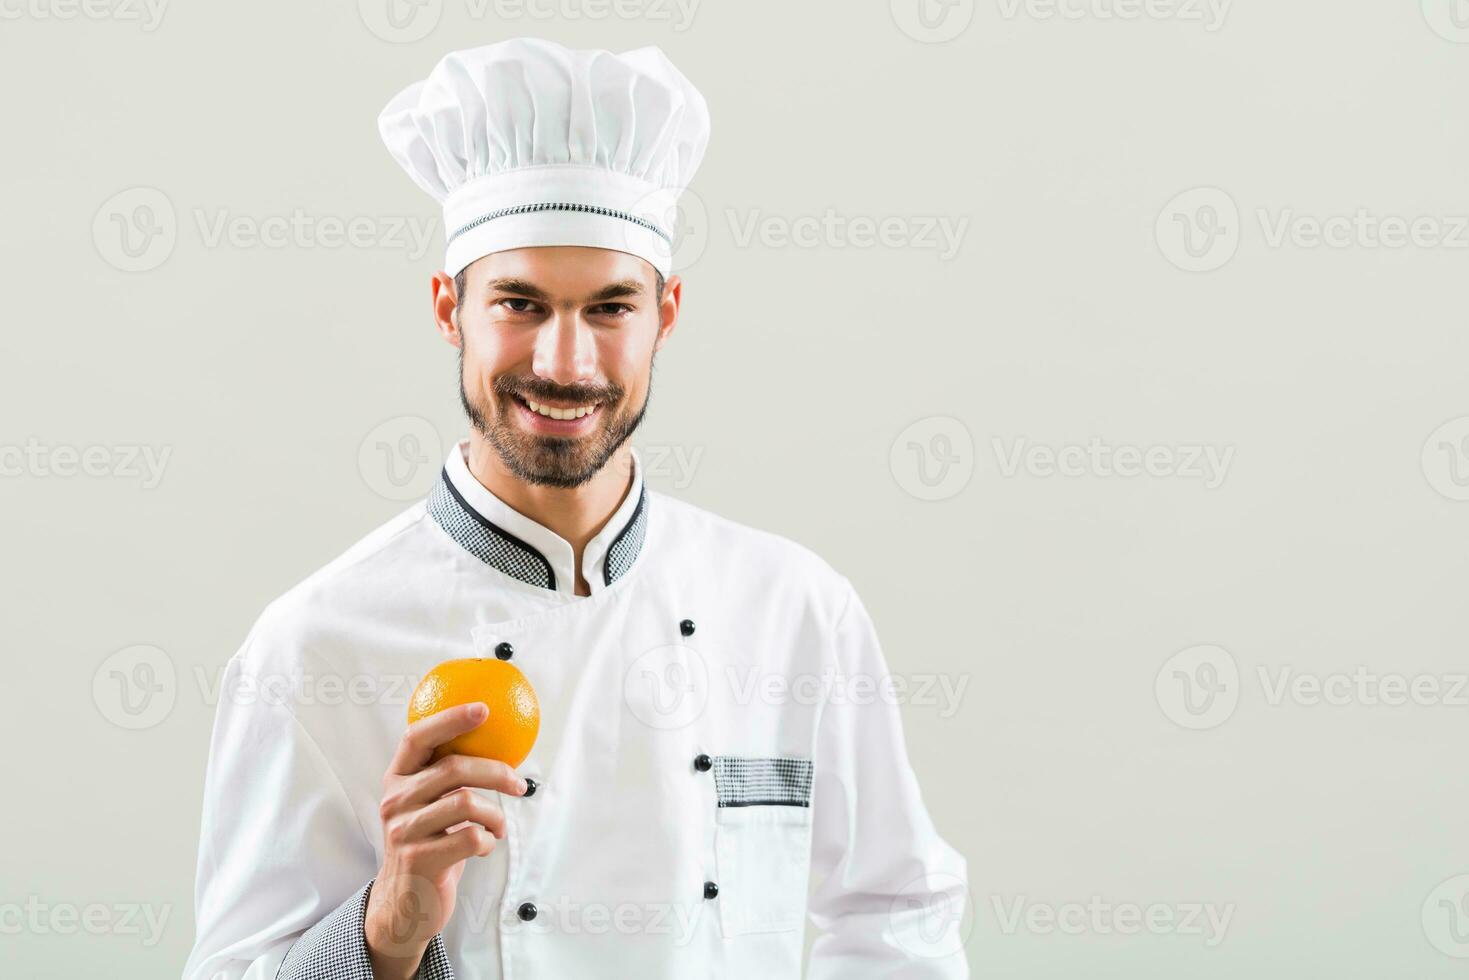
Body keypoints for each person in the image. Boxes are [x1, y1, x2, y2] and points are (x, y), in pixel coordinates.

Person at [182, 37, 969, 980]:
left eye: (609, 307)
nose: (564, 363)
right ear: (448, 308)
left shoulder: (795, 607)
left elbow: (900, 913)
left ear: (666, 313)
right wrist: (384, 933)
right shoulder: (313, 646)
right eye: (518, 302)